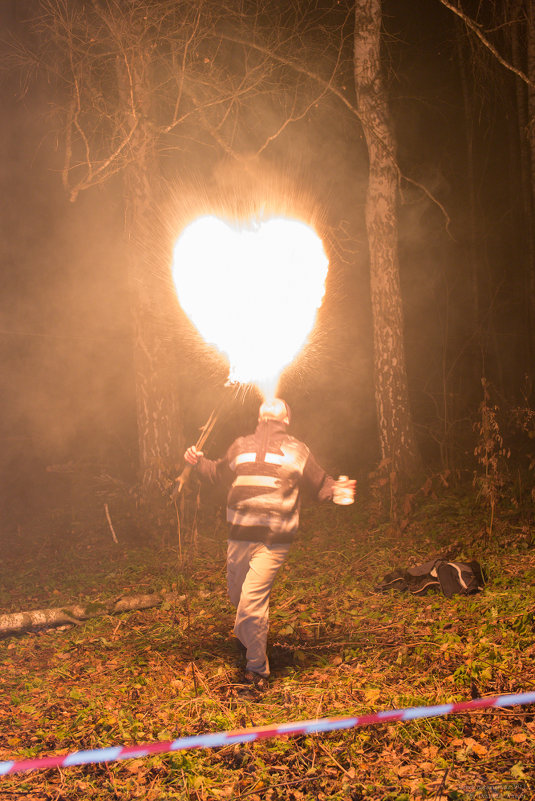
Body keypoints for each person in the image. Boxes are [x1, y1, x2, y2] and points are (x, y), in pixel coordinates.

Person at [183, 397, 356, 691]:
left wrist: (339, 490)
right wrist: (197, 461)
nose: (272, 401)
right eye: (268, 401)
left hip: (273, 541)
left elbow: (320, 482)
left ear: (286, 418)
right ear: (259, 414)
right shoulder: (239, 445)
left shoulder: (297, 450)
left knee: (250, 605)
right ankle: (252, 639)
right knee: (237, 598)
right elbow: (217, 472)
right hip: (238, 537)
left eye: (280, 403)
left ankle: (257, 671)